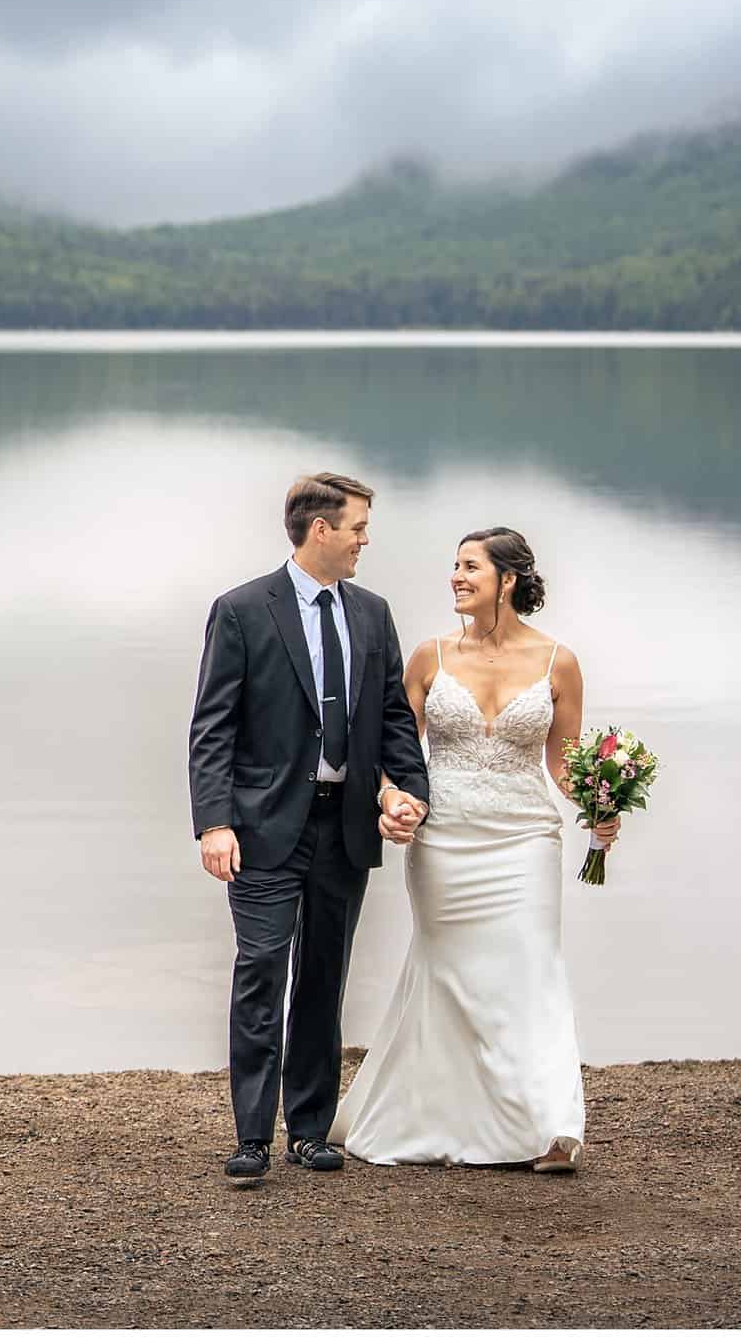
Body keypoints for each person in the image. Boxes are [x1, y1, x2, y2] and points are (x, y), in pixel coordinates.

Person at [329, 526, 617, 1173]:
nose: (456, 577)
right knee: (449, 973)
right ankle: (443, 1116)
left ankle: (550, 1127)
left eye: (469, 566)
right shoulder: (429, 657)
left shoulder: (557, 662)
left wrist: (599, 804)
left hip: (525, 838)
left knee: (531, 971)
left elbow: (564, 762)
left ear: (506, 579)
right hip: (446, 838)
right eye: (454, 566)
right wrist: (390, 801)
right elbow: (393, 755)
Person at [188, 473, 430, 1187]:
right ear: (319, 529)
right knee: (261, 970)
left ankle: (311, 1129)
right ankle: (253, 1137)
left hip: (344, 827)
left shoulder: (373, 613)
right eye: (357, 526)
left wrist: (407, 791)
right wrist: (215, 823)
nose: (365, 540)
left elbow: (390, 716)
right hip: (261, 829)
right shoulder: (240, 610)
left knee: (325, 977)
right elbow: (211, 728)